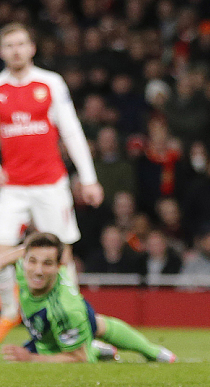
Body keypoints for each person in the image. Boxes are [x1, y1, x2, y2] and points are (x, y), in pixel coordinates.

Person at [0, 22, 104, 342]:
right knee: (1, 250)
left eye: (20, 44)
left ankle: (72, 315)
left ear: (32, 48)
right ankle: (8, 310)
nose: (15, 50)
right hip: (12, 187)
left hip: (49, 183)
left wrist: (88, 179)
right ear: (2, 52)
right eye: (8, 45)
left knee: (61, 255)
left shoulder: (50, 83)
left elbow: (71, 130)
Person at [0, 232, 176, 363]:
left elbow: (78, 358)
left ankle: (150, 352)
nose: (37, 270)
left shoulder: (64, 309)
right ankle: (99, 348)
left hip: (66, 316)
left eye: (47, 263)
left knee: (88, 333)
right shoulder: (23, 268)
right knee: (96, 324)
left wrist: (31, 358)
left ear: (59, 266)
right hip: (46, 328)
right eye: (32, 261)